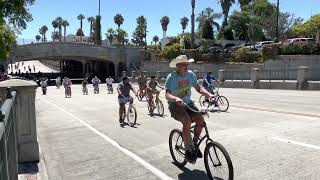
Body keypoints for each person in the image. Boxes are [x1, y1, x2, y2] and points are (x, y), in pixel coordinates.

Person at [165, 55, 214, 162]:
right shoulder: (171, 77)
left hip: (188, 104)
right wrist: (175, 98)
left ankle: (194, 144)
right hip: (175, 105)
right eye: (184, 65)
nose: (186, 66)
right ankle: (188, 149)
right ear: (177, 66)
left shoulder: (190, 75)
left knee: (201, 121)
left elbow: (198, 88)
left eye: (187, 64)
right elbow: (167, 95)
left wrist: (208, 94)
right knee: (187, 121)